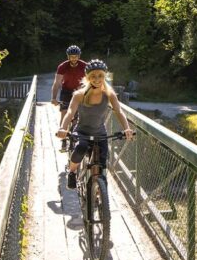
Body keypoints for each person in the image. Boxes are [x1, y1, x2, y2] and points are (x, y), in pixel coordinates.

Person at [56, 59, 135, 189]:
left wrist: (127, 128)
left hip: (100, 133)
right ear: (87, 78)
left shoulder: (109, 94)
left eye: (100, 76)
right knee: (80, 148)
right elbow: (70, 113)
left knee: (102, 162)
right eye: (93, 76)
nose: (97, 79)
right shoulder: (79, 94)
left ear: (104, 77)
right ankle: (72, 172)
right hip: (82, 132)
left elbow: (119, 111)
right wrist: (62, 128)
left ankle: (98, 190)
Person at [51, 45, 87, 149]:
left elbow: (89, 81)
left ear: (79, 56)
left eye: (76, 56)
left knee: (76, 116)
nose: (74, 58)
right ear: (68, 57)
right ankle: (63, 138)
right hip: (66, 91)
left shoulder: (84, 66)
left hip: (79, 92)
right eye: (72, 56)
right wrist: (53, 98)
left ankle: (74, 136)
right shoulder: (63, 66)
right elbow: (57, 82)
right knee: (64, 113)